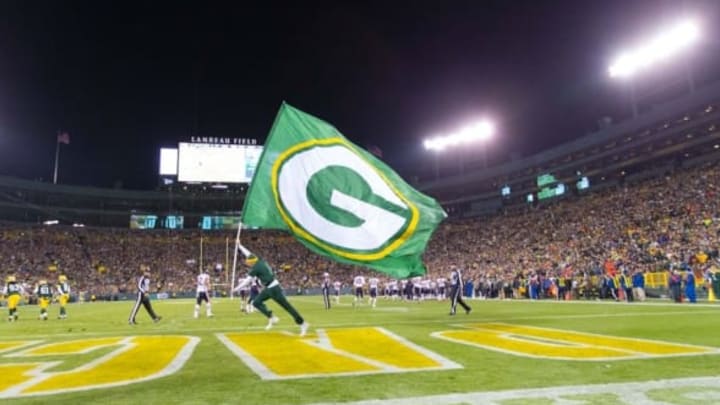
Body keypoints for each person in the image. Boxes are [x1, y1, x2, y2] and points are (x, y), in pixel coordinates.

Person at [235, 244, 310, 337]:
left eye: (248, 262)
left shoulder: (256, 268)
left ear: (251, 262)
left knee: (287, 307)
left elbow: (247, 281)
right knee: (256, 302)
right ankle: (271, 317)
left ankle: (302, 323)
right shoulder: (259, 260)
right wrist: (240, 246)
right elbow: (249, 254)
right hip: (269, 288)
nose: (248, 264)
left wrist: (236, 289)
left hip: (274, 288)